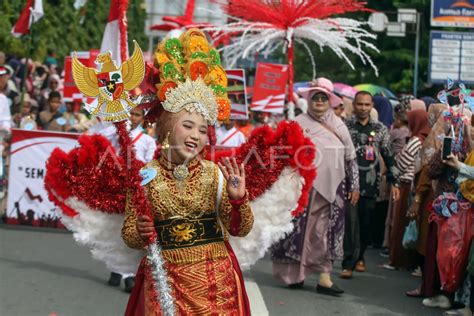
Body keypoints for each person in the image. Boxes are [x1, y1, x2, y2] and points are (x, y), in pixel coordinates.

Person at [122, 30, 254, 314]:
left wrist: (238, 200)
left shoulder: (216, 174)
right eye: (188, 126)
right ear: (168, 127)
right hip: (164, 281)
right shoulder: (146, 175)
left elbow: (240, 229)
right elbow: (130, 236)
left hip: (216, 284)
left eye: (203, 129)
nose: (196, 135)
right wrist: (141, 231)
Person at [272, 78, 359, 295]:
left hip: (334, 190)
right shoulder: (298, 124)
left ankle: (324, 278)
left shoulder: (340, 126)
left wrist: (354, 185)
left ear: (330, 101)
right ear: (309, 100)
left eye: (323, 98)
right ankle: (295, 276)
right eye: (315, 97)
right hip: (303, 189)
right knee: (300, 232)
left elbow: (351, 158)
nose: (319, 101)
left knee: (325, 233)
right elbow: (284, 154)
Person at [341, 91, 400, 277]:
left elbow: (388, 155)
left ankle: (360, 257)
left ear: (372, 106)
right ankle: (348, 262)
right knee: (351, 222)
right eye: (360, 104)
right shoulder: (345, 126)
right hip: (349, 182)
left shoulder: (380, 128)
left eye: (367, 105)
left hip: (370, 182)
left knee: (365, 223)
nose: (363, 108)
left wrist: (395, 182)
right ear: (354, 105)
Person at [384, 109, 430, 270]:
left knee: (400, 223)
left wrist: (392, 169)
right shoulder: (429, 139)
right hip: (415, 184)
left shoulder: (416, 140)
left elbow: (402, 162)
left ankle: (398, 260)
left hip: (406, 184)